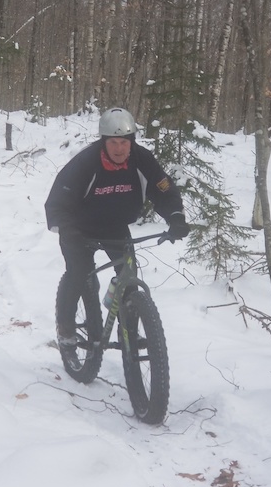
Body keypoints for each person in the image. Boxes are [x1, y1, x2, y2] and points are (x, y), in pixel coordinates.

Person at [45, 107, 189, 345]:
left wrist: (175, 217)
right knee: (79, 272)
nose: (119, 149)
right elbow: (58, 202)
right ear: (104, 142)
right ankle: (66, 326)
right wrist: (67, 229)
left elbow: (164, 190)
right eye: (113, 142)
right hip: (78, 228)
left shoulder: (142, 160)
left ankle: (128, 330)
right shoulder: (85, 162)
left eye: (124, 142)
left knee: (128, 276)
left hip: (115, 226)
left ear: (132, 141)